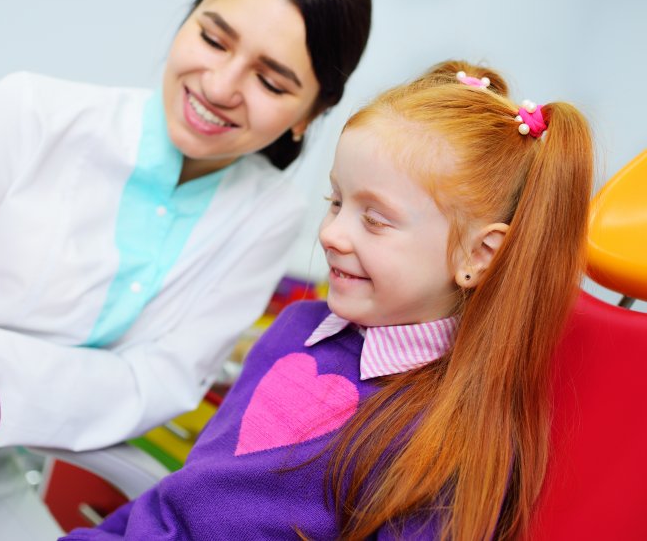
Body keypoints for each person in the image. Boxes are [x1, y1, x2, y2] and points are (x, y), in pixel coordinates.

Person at [0, 0, 372, 538]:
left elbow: (151, 385)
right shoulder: (27, 113)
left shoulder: (269, 214)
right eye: (213, 39)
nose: (219, 88)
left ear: (311, 113)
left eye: (271, 82)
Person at [58, 60, 594, 539]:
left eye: (375, 220)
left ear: (478, 254)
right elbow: (182, 497)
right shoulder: (297, 327)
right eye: (335, 201)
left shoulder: (447, 436)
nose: (333, 233)